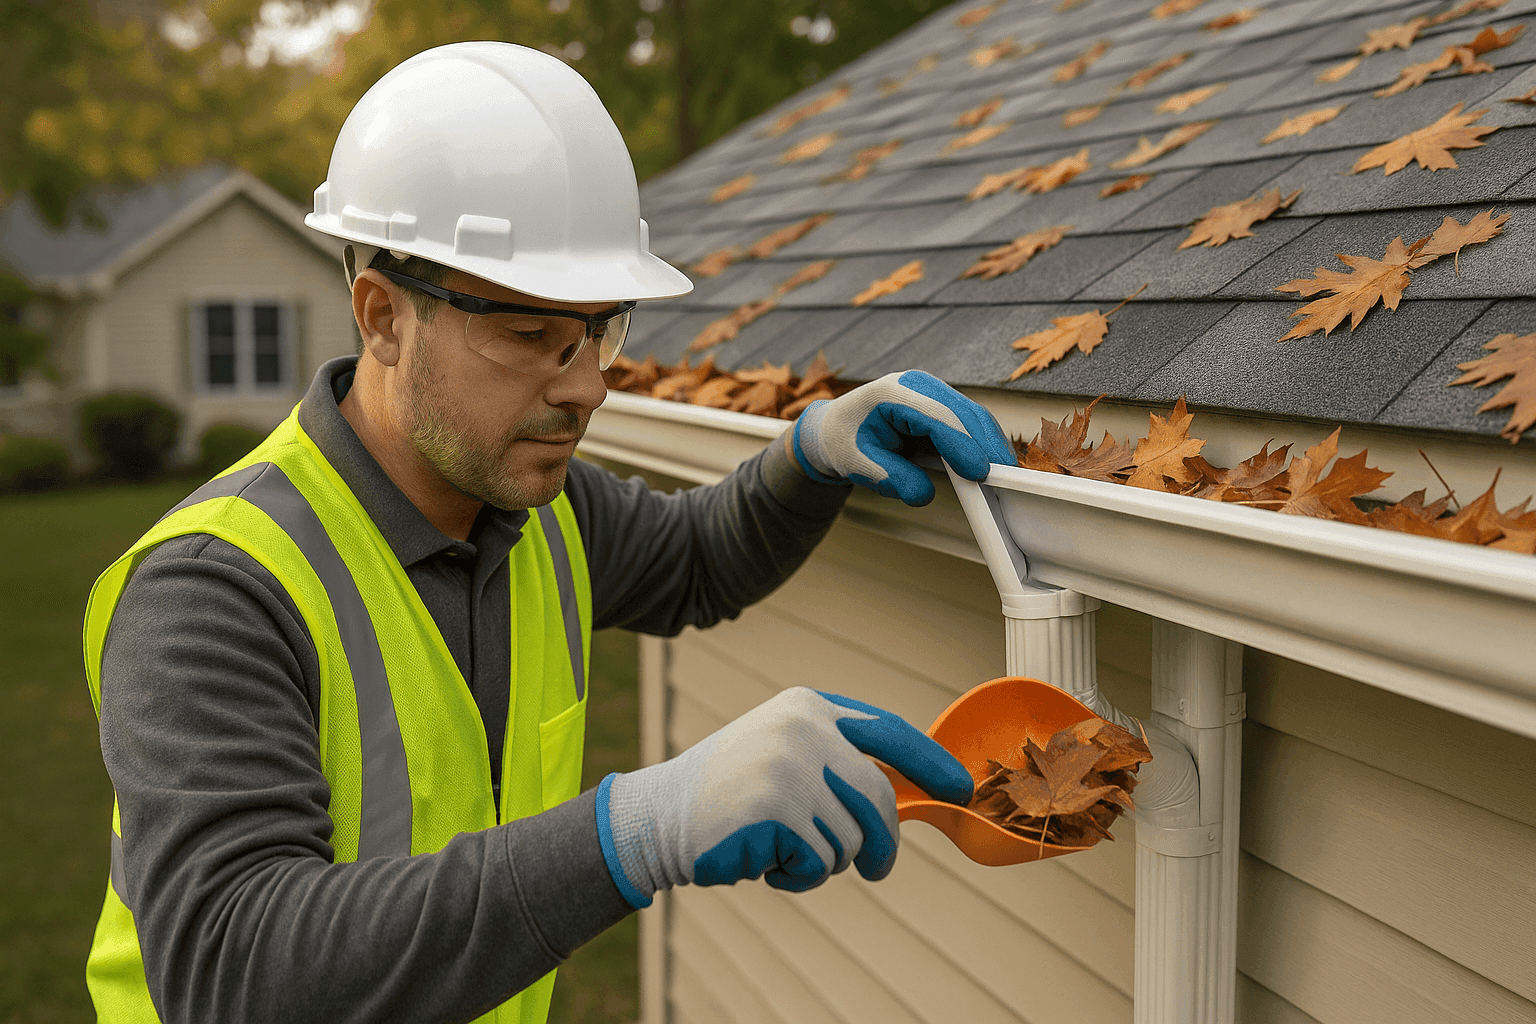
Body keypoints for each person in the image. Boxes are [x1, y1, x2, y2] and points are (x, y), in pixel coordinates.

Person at [83, 42, 1018, 1024]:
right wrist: (635, 832)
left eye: (596, 333)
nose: (586, 387)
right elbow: (231, 969)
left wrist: (812, 454)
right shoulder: (215, 590)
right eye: (530, 336)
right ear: (383, 317)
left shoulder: (539, 513)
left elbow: (698, 559)